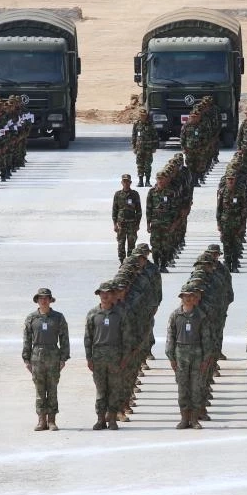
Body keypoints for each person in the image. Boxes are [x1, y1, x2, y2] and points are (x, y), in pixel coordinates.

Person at [84, 279, 132, 430]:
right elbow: (88, 338)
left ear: (113, 295)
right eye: (102, 293)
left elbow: (127, 337)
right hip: (98, 356)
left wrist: (125, 358)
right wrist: (89, 358)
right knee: (101, 389)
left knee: (114, 389)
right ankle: (100, 419)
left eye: (108, 293)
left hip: (115, 356)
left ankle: (112, 419)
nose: (104, 296)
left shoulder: (120, 314)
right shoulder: (93, 314)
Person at [165, 284, 214, 430]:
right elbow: (171, 337)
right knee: (182, 387)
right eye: (186, 296)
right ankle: (184, 418)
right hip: (180, 353)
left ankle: (194, 419)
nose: (188, 298)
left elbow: (206, 338)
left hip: (197, 353)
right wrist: (171, 357)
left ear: (195, 299)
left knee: (196, 387)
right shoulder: (175, 315)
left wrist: (206, 359)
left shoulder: (201, 316)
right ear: (181, 297)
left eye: (191, 296)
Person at [22, 288, 70, 432]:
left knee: (52, 389)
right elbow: (27, 340)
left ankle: (52, 420)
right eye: (40, 298)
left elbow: (64, 338)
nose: (43, 300)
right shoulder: (31, 318)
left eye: (46, 298)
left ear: (50, 300)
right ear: (37, 300)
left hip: (53, 355)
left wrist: (63, 358)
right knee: (40, 390)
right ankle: (41, 420)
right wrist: (26, 359)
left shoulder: (58, 317)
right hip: (36, 356)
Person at [111, 173, 142, 263]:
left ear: (130, 182)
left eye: (127, 181)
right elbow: (114, 210)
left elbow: (139, 210)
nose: (126, 183)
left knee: (131, 244)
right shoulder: (118, 194)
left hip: (132, 223)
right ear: (121, 182)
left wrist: (138, 224)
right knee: (121, 244)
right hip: (121, 224)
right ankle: (122, 262)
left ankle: (130, 262)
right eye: (124, 181)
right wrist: (115, 224)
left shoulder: (134, 194)